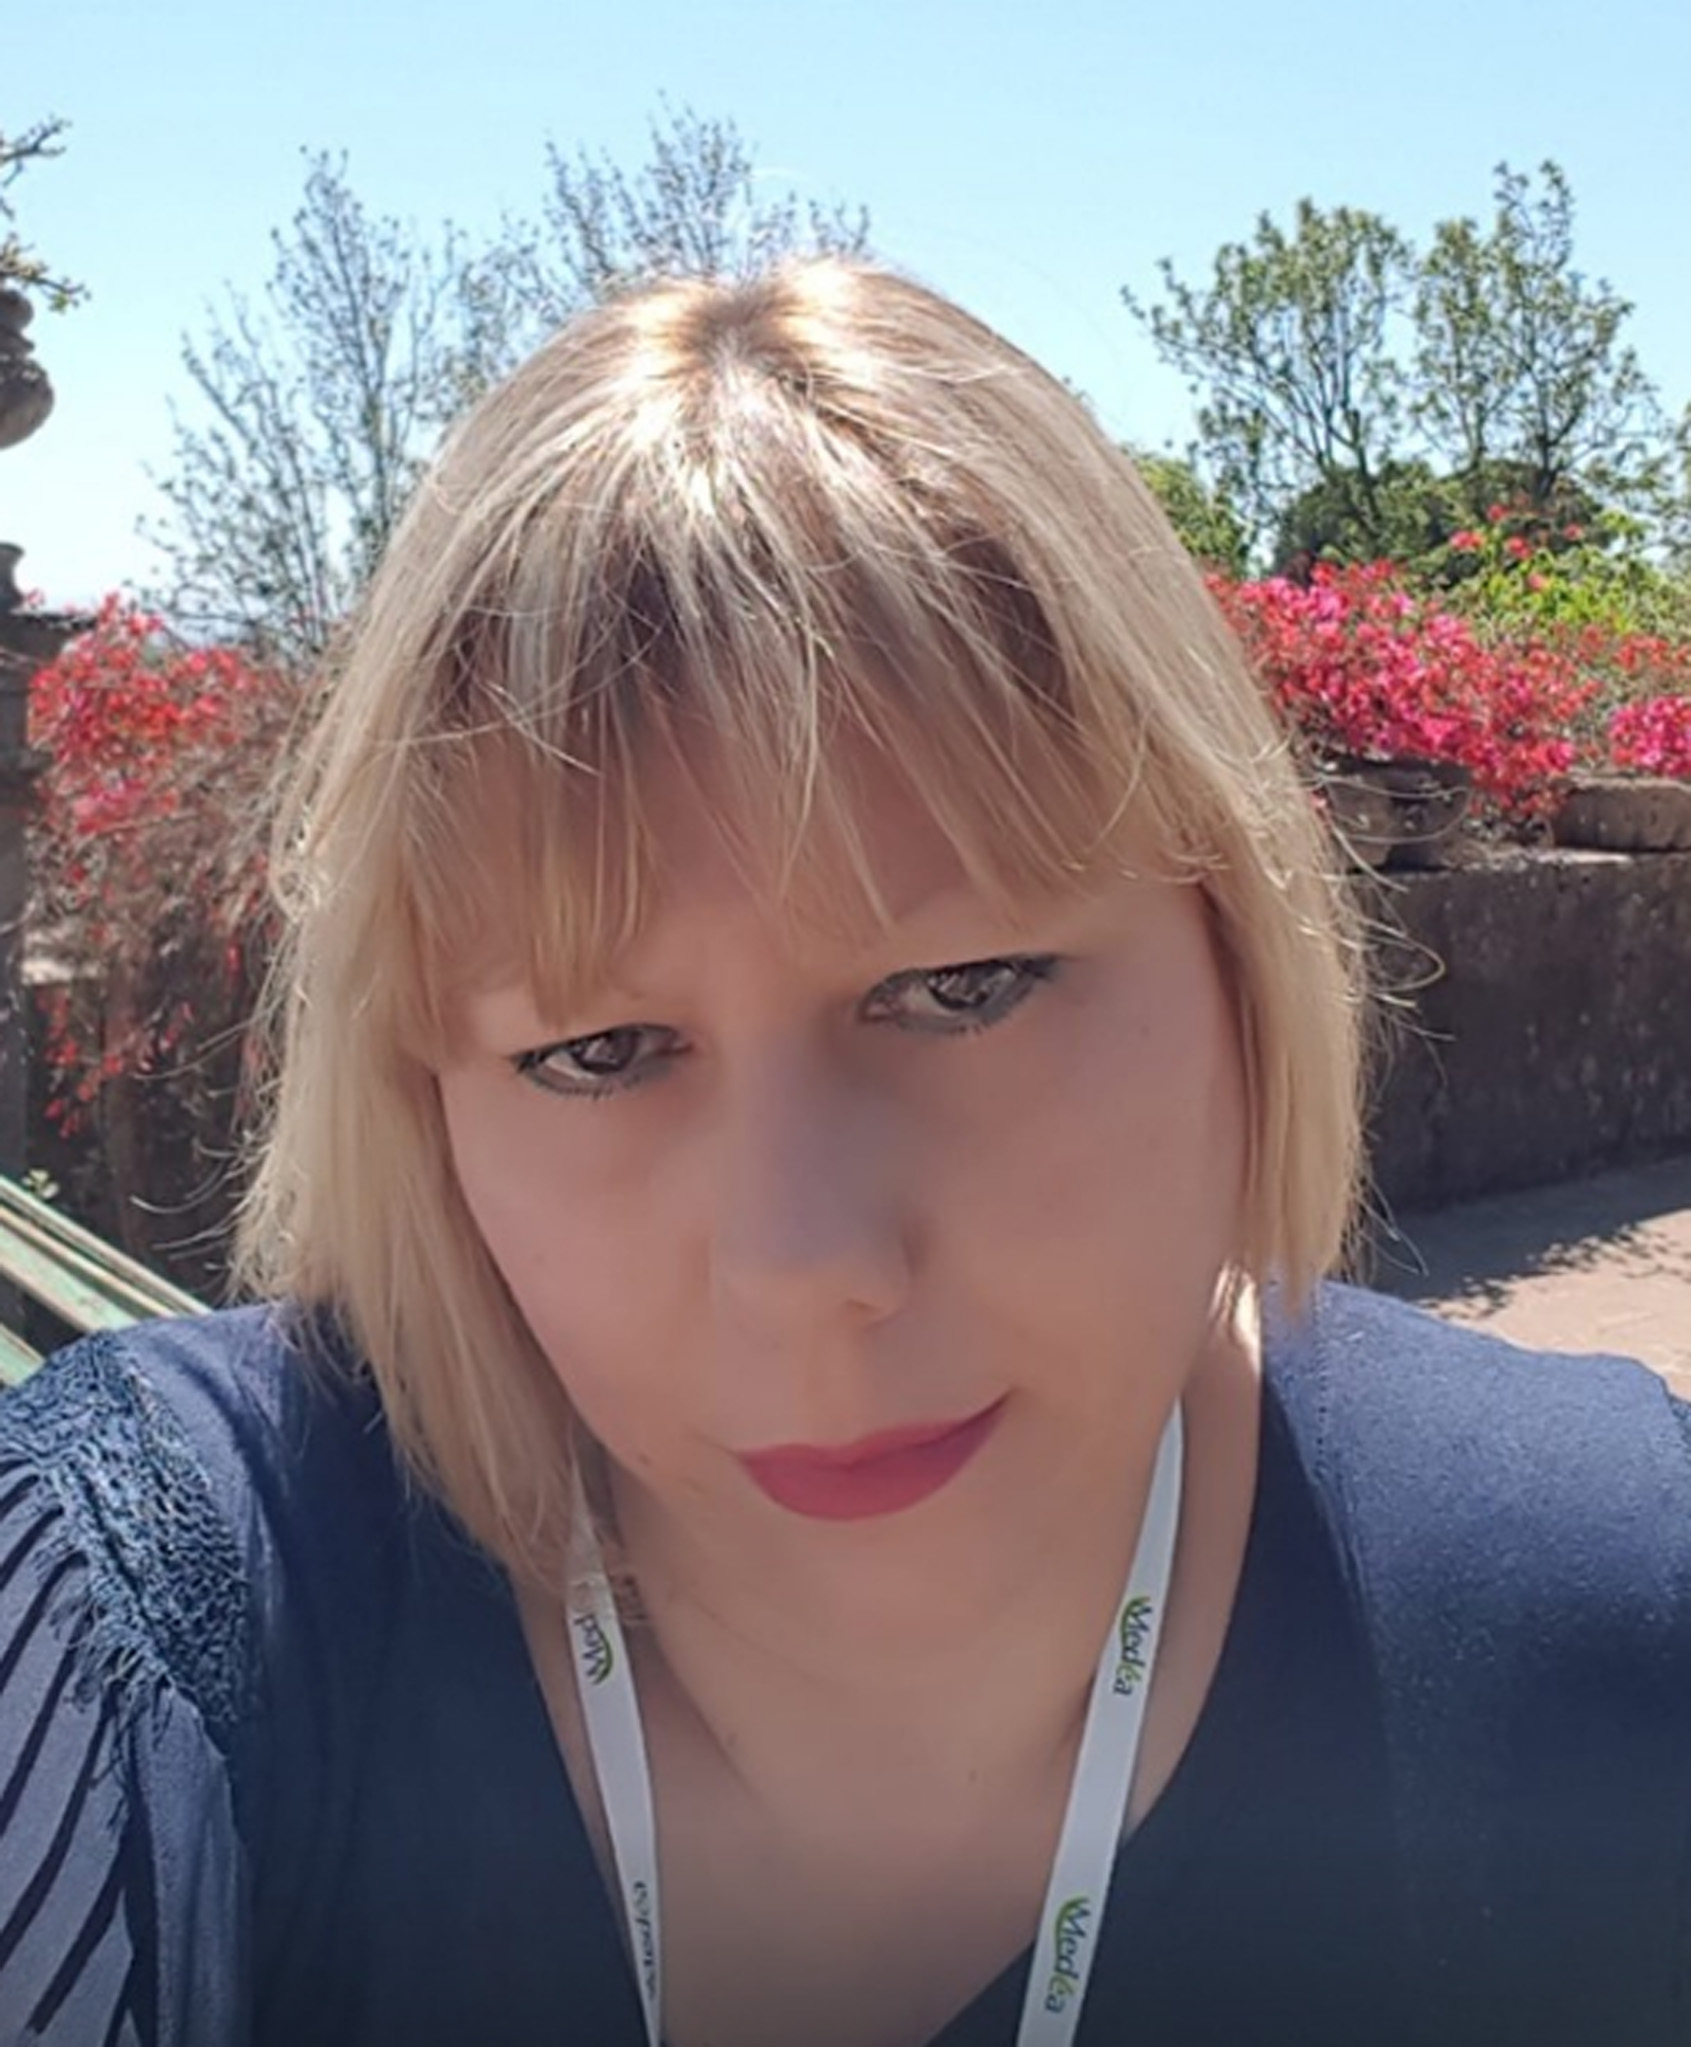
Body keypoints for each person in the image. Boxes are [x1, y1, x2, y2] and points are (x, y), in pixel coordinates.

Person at [1, 258, 1687, 2047]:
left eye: (963, 988)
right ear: (425, 1100)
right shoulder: (142, 1614)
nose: (805, 1268)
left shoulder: (1622, 1623)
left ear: (1237, 954)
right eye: (596, 1052)